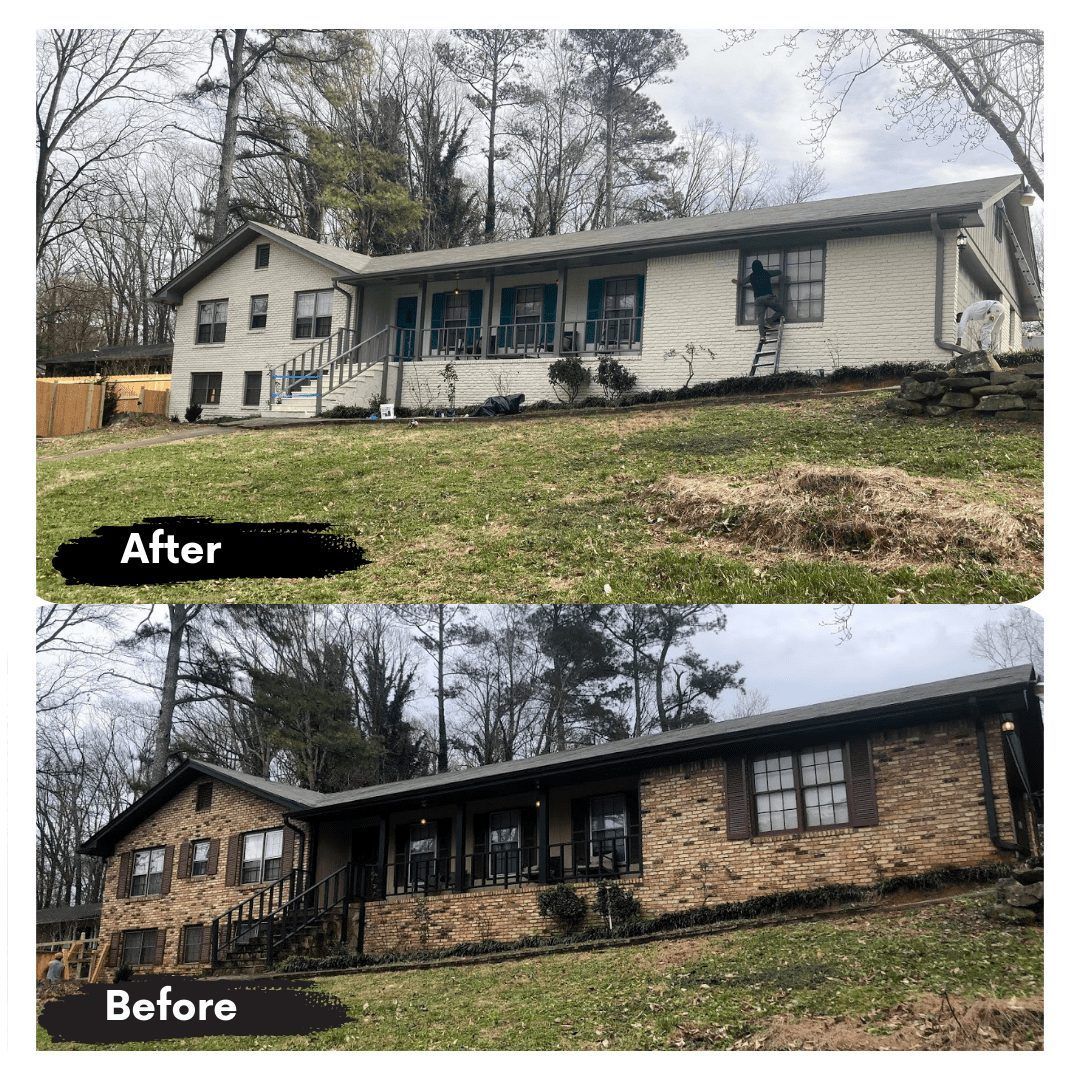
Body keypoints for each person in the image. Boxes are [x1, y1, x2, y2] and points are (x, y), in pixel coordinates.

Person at [733, 259, 785, 338]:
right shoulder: (766, 273)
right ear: (761, 266)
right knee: (781, 310)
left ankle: (762, 336)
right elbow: (778, 272)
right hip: (768, 297)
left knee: (760, 318)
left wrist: (736, 281)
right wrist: (780, 270)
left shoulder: (751, 276)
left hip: (758, 299)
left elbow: (742, 282)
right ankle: (769, 321)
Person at [956, 299, 1007, 366]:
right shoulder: (972, 310)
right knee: (991, 330)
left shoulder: (966, 312)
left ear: (960, 316)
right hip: (999, 308)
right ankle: (989, 350)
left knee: (986, 329)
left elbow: (961, 325)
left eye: (959, 320)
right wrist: (980, 340)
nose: (965, 321)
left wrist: (959, 338)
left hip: (994, 308)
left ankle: (985, 352)